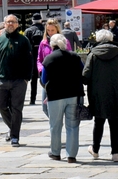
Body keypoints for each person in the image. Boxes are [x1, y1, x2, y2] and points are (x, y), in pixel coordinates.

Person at [82, 27, 118, 162]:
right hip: (117, 93)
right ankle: (115, 153)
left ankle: (95, 150)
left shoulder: (93, 54)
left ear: (98, 40)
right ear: (111, 39)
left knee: (98, 122)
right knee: (115, 122)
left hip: (98, 94)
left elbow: (86, 75)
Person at [42, 33, 84, 163]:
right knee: (73, 125)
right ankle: (71, 155)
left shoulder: (49, 59)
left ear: (52, 45)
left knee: (55, 125)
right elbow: (83, 72)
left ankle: (55, 152)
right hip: (74, 94)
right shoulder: (75, 57)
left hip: (55, 96)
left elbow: (44, 79)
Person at [0, 15, 34, 146]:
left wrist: (27, 78)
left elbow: (29, 60)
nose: (10, 24)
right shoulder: (0, 40)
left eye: (13, 22)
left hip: (19, 81)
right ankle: (13, 128)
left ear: (17, 24)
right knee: (0, 106)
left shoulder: (23, 40)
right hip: (2, 80)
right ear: (4, 24)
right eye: (8, 22)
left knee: (17, 108)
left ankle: (15, 137)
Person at [36, 19, 69, 103]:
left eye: (52, 30)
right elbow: (39, 59)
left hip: (61, 77)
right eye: (48, 30)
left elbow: (69, 57)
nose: (50, 33)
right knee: (45, 107)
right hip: (47, 77)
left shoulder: (65, 42)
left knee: (58, 103)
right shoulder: (43, 43)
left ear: (57, 30)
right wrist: (41, 69)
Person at [24, 15, 44, 105]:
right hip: (44, 56)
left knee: (33, 79)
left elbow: (25, 46)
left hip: (32, 57)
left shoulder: (28, 31)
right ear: (41, 20)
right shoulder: (45, 29)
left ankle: (32, 99)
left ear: (32, 20)